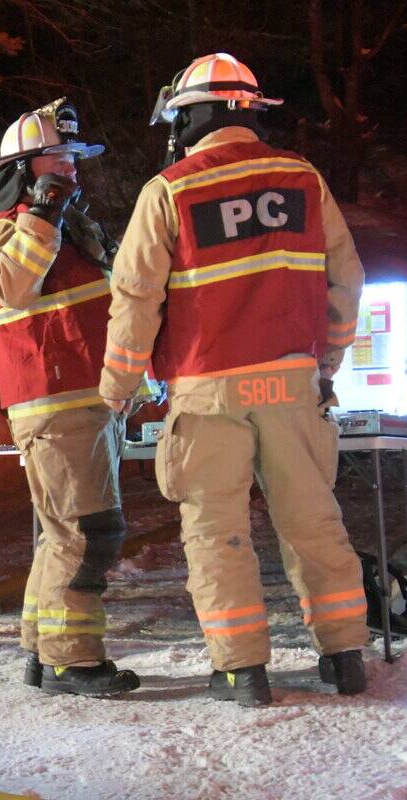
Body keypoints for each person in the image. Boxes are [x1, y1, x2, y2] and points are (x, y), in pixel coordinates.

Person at [100, 53, 368, 706]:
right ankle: (345, 658)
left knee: (217, 534)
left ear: (190, 117)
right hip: (291, 384)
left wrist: (117, 389)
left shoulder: (169, 191)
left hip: (207, 391)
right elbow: (346, 279)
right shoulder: (302, 179)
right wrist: (326, 364)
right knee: (313, 523)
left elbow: (135, 300)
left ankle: (241, 672)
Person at [0, 99, 141, 696]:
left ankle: (43, 652)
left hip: (84, 401)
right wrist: (42, 212)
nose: (71, 167)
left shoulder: (69, 228)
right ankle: (74, 661)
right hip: (56, 403)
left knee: (64, 534)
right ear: (23, 168)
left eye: (73, 157)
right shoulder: (6, 230)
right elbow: (14, 285)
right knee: (88, 532)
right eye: (58, 157)